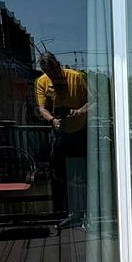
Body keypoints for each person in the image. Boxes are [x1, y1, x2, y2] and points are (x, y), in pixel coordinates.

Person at [35, 53, 89, 223]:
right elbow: (42, 108)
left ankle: (86, 212)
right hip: (60, 134)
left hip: (81, 132)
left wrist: (79, 111)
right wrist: (52, 119)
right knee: (62, 175)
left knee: (84, 175)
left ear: (59, 65)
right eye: (50, 75)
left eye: (55, 73)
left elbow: (95, 102)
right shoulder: (42, 82)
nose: (54, 78)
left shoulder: (77, 77)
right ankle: (69, 213)